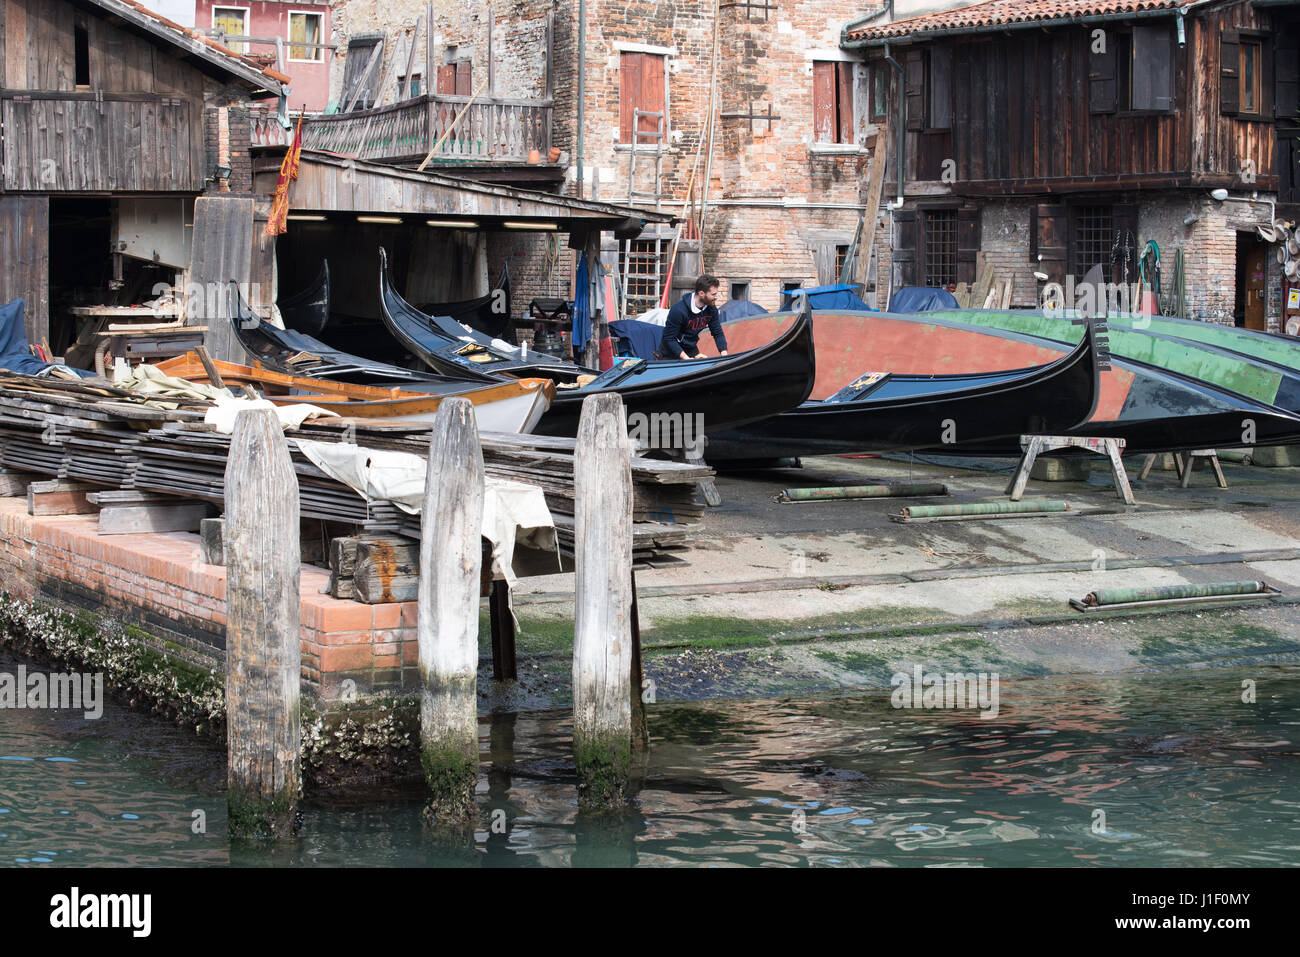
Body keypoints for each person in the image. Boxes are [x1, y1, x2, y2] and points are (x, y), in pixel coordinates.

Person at [658, 275, 729, 360]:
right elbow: (669, 338)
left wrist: (724, 355)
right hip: (670, 353)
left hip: (690, 349)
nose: (716, 297)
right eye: (713, 294)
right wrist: (686, 358)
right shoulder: (678, 310)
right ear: (701, 293)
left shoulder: (711, 309)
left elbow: (717, 332)